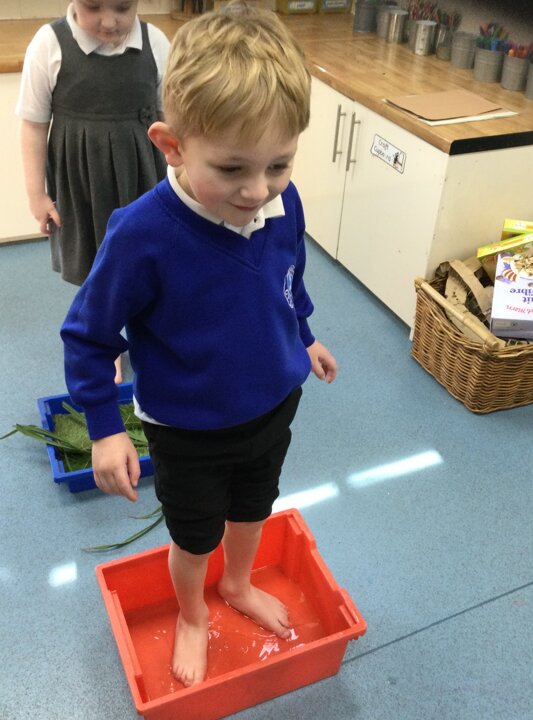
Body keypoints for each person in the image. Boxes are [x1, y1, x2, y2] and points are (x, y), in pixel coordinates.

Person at [61, 0, 337, 688]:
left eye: (279, 163)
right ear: (173, 145)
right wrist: (104, 429)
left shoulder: (282, 201)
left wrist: (304, 335)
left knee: (252, 511)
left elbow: (288, 277)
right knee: (194, 536)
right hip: (187, 428)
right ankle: (192, 612)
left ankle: (238, 584)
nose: (258, 189)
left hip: (273, 405)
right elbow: (88, 335)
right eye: (233, 168)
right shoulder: (140, 234)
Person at [16, 0, 169, 381]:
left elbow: (171, 115)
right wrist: (37, 195)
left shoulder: (156, 42)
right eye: (93, 7)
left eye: (122, 7)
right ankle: (104, 341)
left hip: (143, 176)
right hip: (82, 183)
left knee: (150, 260)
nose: (109, 21)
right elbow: (33, 125)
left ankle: (153, 333)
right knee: (96, 267)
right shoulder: (49, 44)